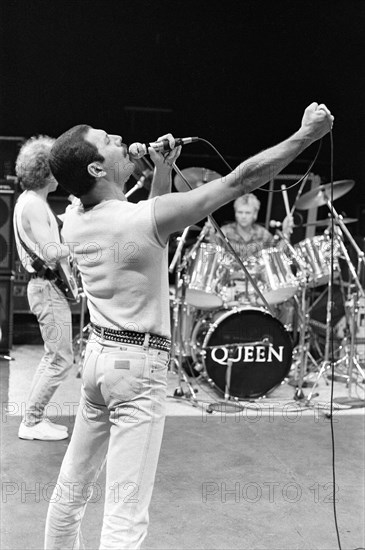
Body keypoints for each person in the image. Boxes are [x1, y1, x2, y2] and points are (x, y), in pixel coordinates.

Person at [44, 102, 333, 550]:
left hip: (100, 362)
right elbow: (239, 181)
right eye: (108, 139)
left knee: (71, 489)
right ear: (98, 168)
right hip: (136, 369)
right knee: (125, 515)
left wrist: (162, 170)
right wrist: (305, 136)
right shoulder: (138, 220)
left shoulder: (75, 220)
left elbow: (145, 226)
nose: (120, 139)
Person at [13, 135, 74, 441]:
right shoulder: (35, 205)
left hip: (43, 288)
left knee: (53, 356)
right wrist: (78, 243)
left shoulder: (31, 201)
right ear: (49, 173)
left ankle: (34, 417)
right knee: (62, 358)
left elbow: (47, 231)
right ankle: (32, 421)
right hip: (45, 289)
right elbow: (51, 252)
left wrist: (69, 217)